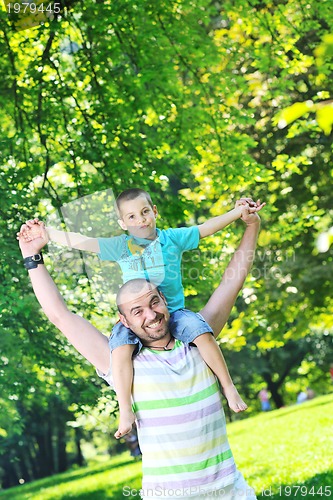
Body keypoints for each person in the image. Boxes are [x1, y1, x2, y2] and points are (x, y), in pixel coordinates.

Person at [17, 200, 261, 499]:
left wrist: (251, 226)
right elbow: (60, 315)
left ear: (165, 301)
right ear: (124, 321)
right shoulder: (123, 364)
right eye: (137, 311)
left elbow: (232, 281)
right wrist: (32, 257)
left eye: (154, 302)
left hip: (231, 491)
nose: (151, 315)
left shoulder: (197, 338)